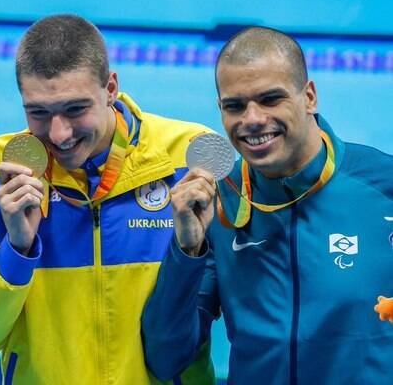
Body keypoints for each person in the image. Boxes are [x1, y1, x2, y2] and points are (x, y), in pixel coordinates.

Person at [0, 14, 214, 384]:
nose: (59, 133)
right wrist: (16, 249)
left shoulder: (189, 157)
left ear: (111, 87)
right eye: (38, 112)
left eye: (75, 109)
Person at [141, 26, 393, 383]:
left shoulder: (383, 186)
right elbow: (167, 358)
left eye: (271, 99)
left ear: (309, 96)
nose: (253, 119)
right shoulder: (218, 202)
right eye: (235, 105)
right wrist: (187, 250)